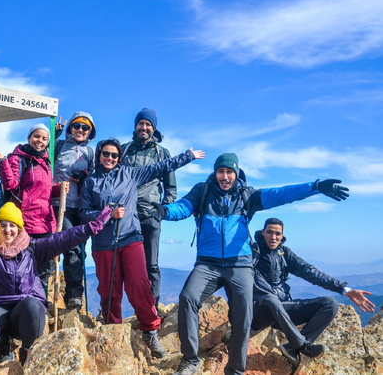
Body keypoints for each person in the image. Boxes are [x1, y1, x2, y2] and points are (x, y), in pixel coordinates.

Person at [154, 153, 350, 375]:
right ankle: (190, 360)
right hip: (208, 263)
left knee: (243, 313)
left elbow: (281, 194)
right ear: (215, 172)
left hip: (240, 264)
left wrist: (314, 186)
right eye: (221, 171)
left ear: (236, 173)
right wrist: (165, 211)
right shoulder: (203, 190)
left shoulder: (248, 195)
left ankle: (235, 370)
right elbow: (184, 207)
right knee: (188, 297)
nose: (225, 176)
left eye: (229, 172)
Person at [0, 202, 114, 365]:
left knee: (34, 306)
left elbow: (64, 238)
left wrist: (91, 227)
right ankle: (3, 344)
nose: (7, 230)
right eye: (3, 225)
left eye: (12, 225)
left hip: (25, 310)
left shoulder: (34, 249)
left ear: (19, 229)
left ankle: (28, 350)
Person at [79, 138, 205, 358]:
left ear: (119, 158)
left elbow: (160, 167)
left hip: (130, 237)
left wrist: (188, 156)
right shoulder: (91, 182)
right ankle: (113, 332)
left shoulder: (130, 174)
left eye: (114, 155)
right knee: (109, 291)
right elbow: (83, 213)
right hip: (103, 244)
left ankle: (150, 330)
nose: (110, 158)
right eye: (106, 154)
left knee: (140, 285)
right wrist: (106, 214)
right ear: (99, 155)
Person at [252, 217, 375, 370]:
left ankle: (292, 347)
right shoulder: (251, 252)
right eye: (269, 232)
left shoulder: (284, 254)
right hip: (260, 310)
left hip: (282, 309)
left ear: (282, 236)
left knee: (330, 304)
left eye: (278, 234)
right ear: (263, 232)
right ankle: (303, 346)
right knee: (271, 300)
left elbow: (311, 272)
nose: (273, 237)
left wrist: (345, 290)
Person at [0, 123, 69, 295]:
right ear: (29, 137)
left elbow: (45, 190)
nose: (39, 141)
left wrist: (59, 188)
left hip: (47, 223)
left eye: (44, 138)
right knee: (24, 265)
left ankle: (36, 299)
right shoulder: (19, 158)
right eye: (36, 136)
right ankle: (23, 300)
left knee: (46, 265)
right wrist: (3, 162)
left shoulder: (46, 162)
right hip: (25, 222)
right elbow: (10, 184)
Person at [121, 108, 175, 309]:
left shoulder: (162, 153)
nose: (144, 127)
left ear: (154, 128)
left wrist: (163, 208)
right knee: (126, 264)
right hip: (125, 214)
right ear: (135, 126)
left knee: (151, 263)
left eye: (148, 124)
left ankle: (152, 306)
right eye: (141, 123)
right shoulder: (124, 149)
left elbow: (171, 186)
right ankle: (131, 306)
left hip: (150, 214)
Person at [51, 112, 97, 309]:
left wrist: (86, 175)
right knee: (67, 247)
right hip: (58, 203)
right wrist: (54, 136)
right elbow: (44, 156)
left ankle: (74, 295)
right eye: (76, 126)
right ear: (70, 127)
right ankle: (69, 294)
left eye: (85, 128)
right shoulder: (59, 146)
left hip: (81, 207)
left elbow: (96, 177)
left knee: (77, 250)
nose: (80, 130)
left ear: (90, 132)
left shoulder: (91, 153)